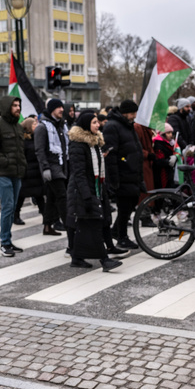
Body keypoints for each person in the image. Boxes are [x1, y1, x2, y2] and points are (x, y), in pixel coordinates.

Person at [66, 112, 122, 272]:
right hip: (83, 191)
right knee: (93, 225)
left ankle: (77, 258)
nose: (98, 125)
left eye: (98, 122)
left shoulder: (95, 142)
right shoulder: (78, 144)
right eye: (94, 122)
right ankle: (104, 260)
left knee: (92, 224)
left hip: (96, 188)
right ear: (85, 125)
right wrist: (87, 196)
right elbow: (79, 174)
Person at [0, 95, 27, 257]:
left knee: (12, 207)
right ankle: (4, 242)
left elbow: (20, 150)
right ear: (7, 107)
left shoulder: (17, 126)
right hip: (2, 172)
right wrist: (6, 161)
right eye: (15, 105)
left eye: (19, 105)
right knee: (8, 207)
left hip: (16, 173)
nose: (18, 108)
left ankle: (8, 240)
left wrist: (22, 165)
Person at [103, 100, 145, 249]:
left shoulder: (128, 125)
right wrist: (114, 180)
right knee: (124, 207)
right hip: (122, 173)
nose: (135, 116)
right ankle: (122, 237)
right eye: (133, 113)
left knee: (130, 204)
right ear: (125, 112)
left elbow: (135, 148)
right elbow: (111, 156)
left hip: (132, 172)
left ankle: (116, 231)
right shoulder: (112, 126)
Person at [34, 98, 69, 236]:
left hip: (61, 166)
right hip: (52, 167)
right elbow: (39, 150)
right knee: (62, 196)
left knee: (52, 197)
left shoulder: (61, 125)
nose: (62, 109)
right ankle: (69, 224)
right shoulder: (43, 127)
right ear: (51, 110)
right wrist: (45, 168)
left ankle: (47, 226)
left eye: (62, 107)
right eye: (58, 107)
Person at [16, 116, 44, 225]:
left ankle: (45, 216)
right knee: (21, 195)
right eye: (33, 124)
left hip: (36, 171)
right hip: (27, 172)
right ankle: (16, 214)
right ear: (28, 126)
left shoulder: (36, 137)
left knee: (39, 194)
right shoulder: (23, 140)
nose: (36, 126)